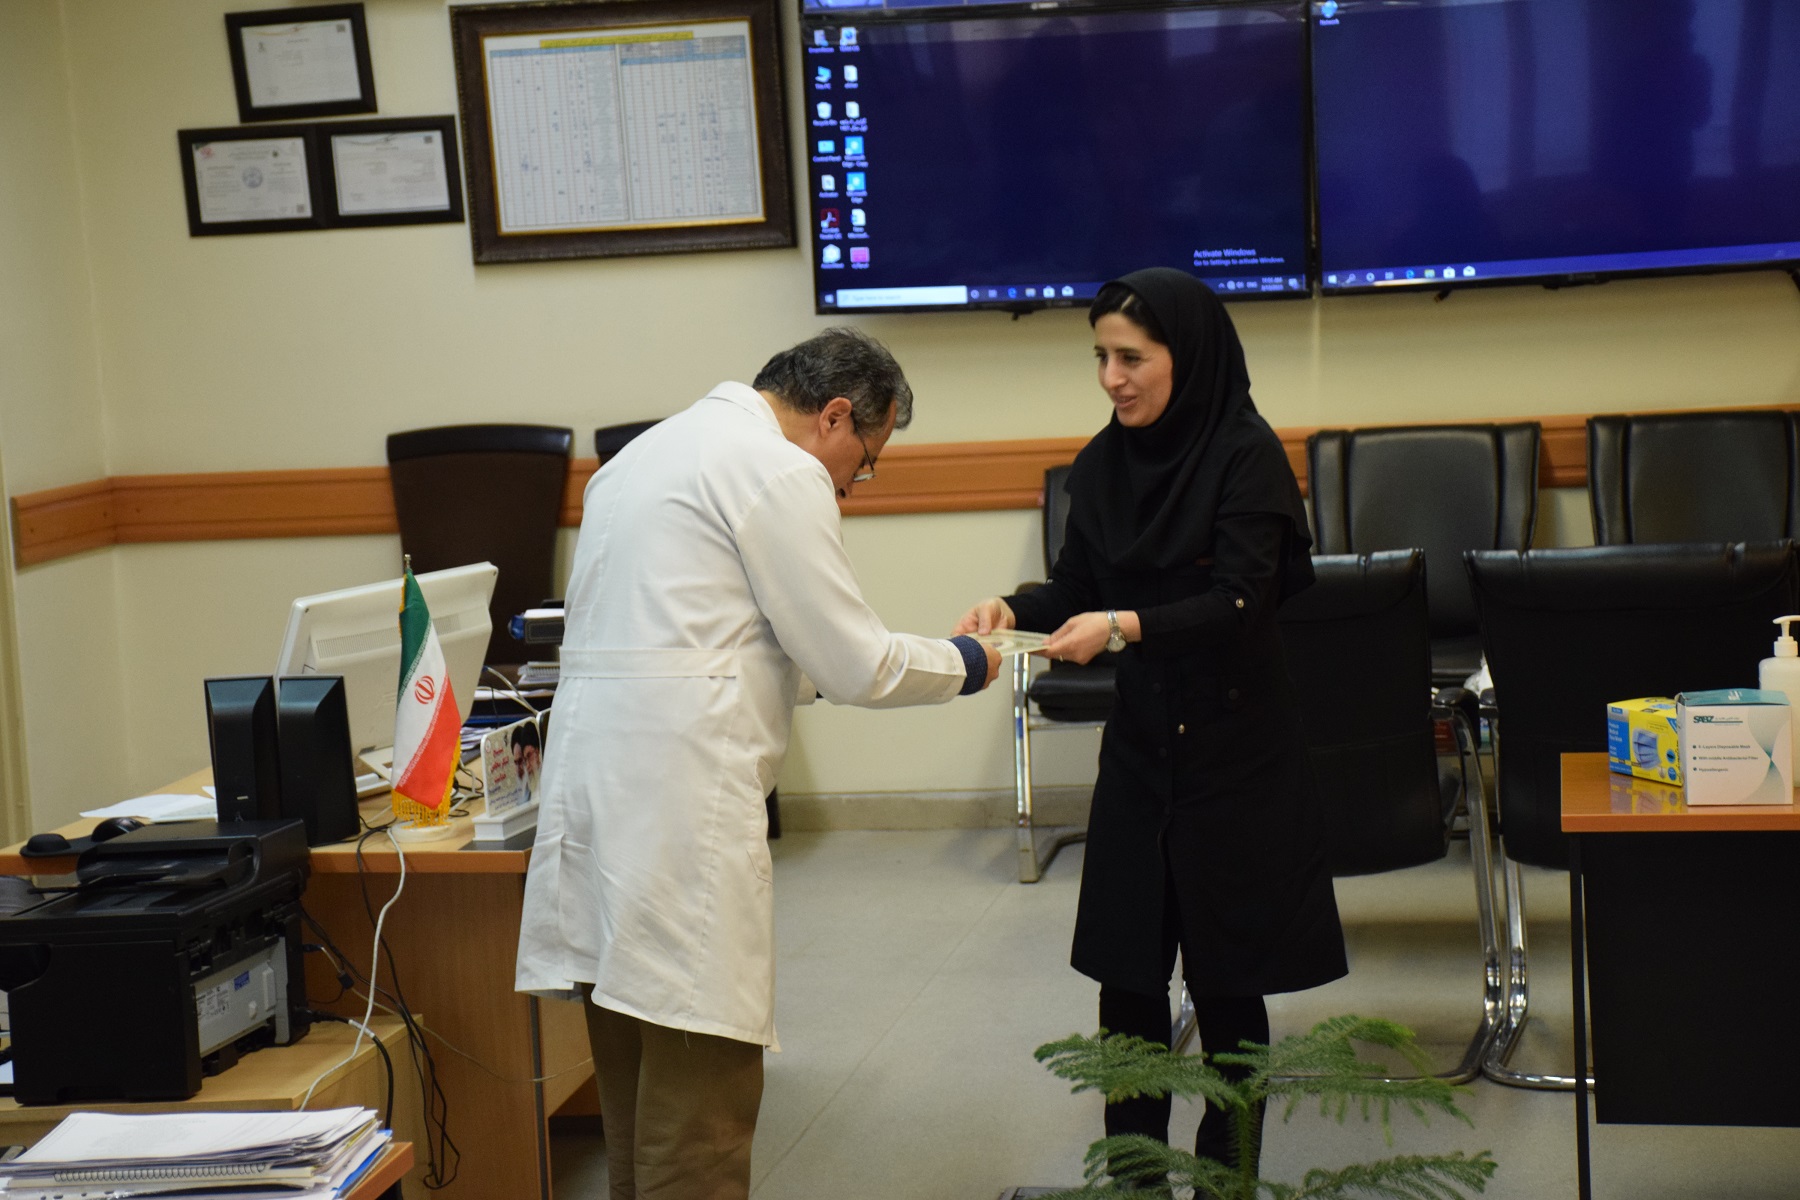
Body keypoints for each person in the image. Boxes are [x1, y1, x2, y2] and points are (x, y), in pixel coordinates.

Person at [516, 328, 1000, 1200]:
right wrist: (969, 663)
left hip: (593, 796)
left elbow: (716, 640)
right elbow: (857, 663)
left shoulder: (641, 457)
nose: (852, 486)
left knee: (632, 1084)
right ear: (836, 416)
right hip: (679, 809)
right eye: (866, 463)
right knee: (702, 1105)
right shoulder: (778, 469)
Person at [956, 268, 1346, 1175]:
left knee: (1228, 987)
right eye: (1101, 357)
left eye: (1131, 358)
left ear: (1187, 355)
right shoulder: (1102, 464)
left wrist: (1126, 626)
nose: (1112, 378)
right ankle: (1134, 1182)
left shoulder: (1246, 455)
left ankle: (1225, 1183)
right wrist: (1013, 608)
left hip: (1235, 757)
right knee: (1127, 984)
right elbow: (1077, 587)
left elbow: (1242, 601)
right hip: (1140, 756)